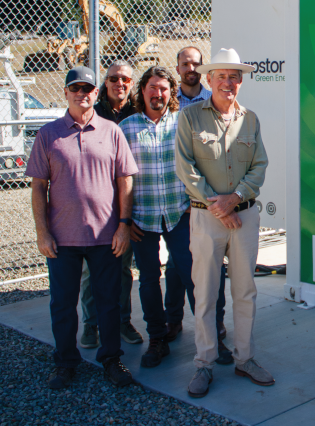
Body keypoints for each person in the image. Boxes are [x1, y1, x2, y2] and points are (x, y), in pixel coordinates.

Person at [26, 66, 137, 389]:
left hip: (105, 236)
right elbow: (37, 187)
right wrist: (42, 232)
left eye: (88, 88)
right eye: (75, 87)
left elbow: (124, 180)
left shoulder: (111, 132)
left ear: (95, 93)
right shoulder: (48, 134)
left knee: (109, 301)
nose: (82, 93)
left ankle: (112, 360)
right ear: (65, 93)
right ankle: (65, 362)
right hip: (62, 239)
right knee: (63, 304)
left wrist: (123, 225)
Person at [175, 48, 270, 397]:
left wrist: (235, 199)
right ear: (209, 79)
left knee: (245, 291)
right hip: (206, 218)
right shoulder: (190, 118)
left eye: (234, 77)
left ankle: (245, 359)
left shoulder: (251, 120)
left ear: (240, 81)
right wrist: (219, 207)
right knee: (205, 293)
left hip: (243, 215)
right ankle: (205, 362)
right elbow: (185, 167)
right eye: (221, 76)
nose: (228, 82)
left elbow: (259, 165)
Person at [118, 66, 196, 368]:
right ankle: (157, 338)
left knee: (191, 276)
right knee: (149, 280)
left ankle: (208, 335)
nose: (158, 93)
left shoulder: (183, 123)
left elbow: (197, 164)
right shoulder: (126, 128)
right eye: (153, 87)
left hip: (179, 214)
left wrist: (194, 202)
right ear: (143, 91)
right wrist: (126, 219)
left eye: (164, 88)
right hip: (143, 219)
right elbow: (119, 178)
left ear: (171, 93)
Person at [165, 47, 230, 357]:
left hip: (206, 201)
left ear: (203, 68)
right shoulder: (167, 101)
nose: (190, 68)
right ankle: (173, 320)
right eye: (185, 63)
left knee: (211, 265)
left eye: (195, 63)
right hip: (175, 200)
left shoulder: (212, 101)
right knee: (176, 265)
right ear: (177, 68)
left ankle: (216, 325)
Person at [79, 60, 143, 349]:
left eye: (126, 80)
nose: (120, 83)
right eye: (114, 78)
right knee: (91, 271)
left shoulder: (139, 113)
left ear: (132, 84)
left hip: (127, 206)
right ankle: (91, 325)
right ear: (105, 83)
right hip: (97, 207)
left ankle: (122, 320)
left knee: (122, 269)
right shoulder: (93, 112)